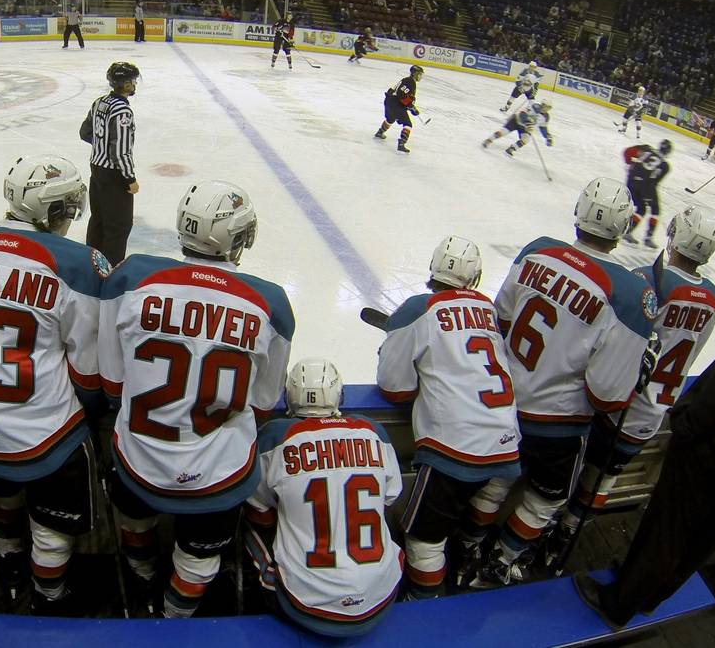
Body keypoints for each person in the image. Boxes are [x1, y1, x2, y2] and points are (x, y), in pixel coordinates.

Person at [99, 180, 294, 618]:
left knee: (135, 521)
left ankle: (142, 578)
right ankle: (174, 616)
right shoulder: (270, 302)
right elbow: (263, 404)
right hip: (217, 473)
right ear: (238, 238)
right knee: (199, 559)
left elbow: (112, 382)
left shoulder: (132, 277)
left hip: (137, 460)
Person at [466, 177, 657, 589]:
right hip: (556, 427)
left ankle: (468, 546)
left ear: (579, 213)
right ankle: (502, 560)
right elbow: (606, 394)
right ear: (623, 227)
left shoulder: (538, 249)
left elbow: (498, 320)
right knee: (547, 497)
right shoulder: (628, 293)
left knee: (497, 480)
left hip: (501, 404)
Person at [0, 155, 107, 616]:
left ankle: (12, 571)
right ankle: (49, 596)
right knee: (51, 525)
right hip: (43, 436)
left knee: (2, 495)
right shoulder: (79, 263)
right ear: (56, 209)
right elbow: (88, 370)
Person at [575, 284, 715, 629]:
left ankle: (620, 602)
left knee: (668, 525)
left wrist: (690, 421)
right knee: (709, 533)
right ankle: (654, 594)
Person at [546, 206, 715, 568]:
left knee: (573, 471)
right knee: (604, 477)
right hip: (654, 413)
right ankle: (569, 534)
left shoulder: (650, 280)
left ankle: (547, 529)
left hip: (620, 403)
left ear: (677, 236)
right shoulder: (713, 298)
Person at [376, 237, 520, 599]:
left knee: (424, 539)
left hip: (458, 448)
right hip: (508, 444)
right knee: (481, 504)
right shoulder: (486, 309)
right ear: (474, 277)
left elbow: (394, 388)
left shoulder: (418, 309)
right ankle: (468, 556)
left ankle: (425, 604)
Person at [244, 358, 402, 637]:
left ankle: (246, 603)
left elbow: (261, 513)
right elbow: (389, 498)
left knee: (247, 523)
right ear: (338, 394)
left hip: (305, 603)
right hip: (380, 595)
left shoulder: (274, 438)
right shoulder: (374, 431)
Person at [80, 61, 140, 266]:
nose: (134, 84)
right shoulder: (122, 111)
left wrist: (101, 146)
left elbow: (85, 132)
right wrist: (130, 178)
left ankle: (90, 266)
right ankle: (109, 273)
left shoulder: (99, 102)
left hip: (96, 170)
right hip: (115, 176)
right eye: (132, 80)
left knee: (98, 220)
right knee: (118, 226)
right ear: (124, 84)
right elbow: (121, 151)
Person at [620, 140, 672, 249]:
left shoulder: (647, 149)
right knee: (655, 210)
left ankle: (628, 231)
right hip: (645, 185)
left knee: (641, 208)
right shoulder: (665, 165)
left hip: (630, 181)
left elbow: (627, 151)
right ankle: (648, 238)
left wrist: (629, 164)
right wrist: (648, 196)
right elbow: (654, 181)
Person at [375, 65, 423, 153]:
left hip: (389, 101)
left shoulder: (406, 80)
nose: (420, 76)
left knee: (391, 118)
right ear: (415, 73)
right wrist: (411, 106)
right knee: (408, 124)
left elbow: (399, 94)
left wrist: (411, 106)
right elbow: (401, 95)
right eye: (419, 74)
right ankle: (401, 144)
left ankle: (380, 132)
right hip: (395, 104)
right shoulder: (410, 82)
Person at [482, 100, 553, 158]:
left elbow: (543, 127)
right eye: (546, 107)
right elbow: (522, 114)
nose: (546, 109)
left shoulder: (546, 117)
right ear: (542, 105)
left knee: (526, 139)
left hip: (525, 128)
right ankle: (489, 139)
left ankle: (511, 149)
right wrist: (528, 123)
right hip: (516, 120)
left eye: (548, 108)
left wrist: (547, 137)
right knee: (504, 132)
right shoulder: (535, 106)